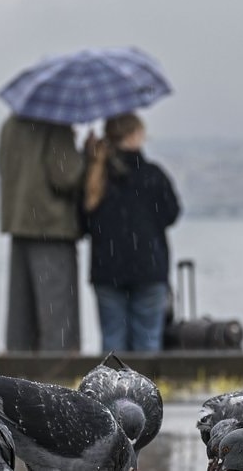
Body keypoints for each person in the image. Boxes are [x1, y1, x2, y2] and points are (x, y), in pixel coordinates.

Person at [82, 112, 181, 352]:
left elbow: (84, 222)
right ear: (135, 135)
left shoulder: (97, 175)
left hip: (107, 270)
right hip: (149, 268)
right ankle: (145, 390)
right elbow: (172, 213)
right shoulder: (153, 175)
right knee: (147, 343)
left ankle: (111, 390)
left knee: (112, 343)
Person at [0, 113, 92, 352]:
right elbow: (66, 176)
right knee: (58, 321)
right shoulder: (56, 125)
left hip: (19, 224)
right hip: (51, 228)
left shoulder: (9, 126)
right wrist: (86, 155)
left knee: (21, 321)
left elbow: (4, 169)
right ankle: (57, 383)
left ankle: (16, 378)